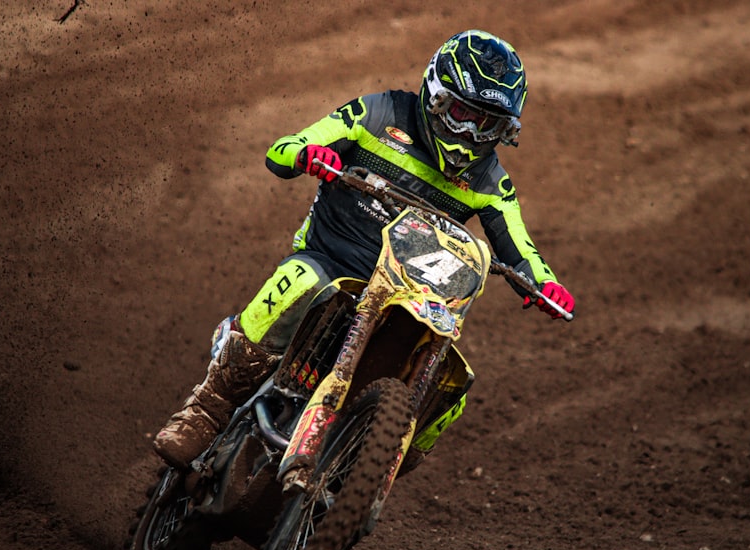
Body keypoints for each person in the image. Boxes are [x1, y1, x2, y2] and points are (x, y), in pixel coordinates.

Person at [153, 29, 575, 470]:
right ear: (436, 94)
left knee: (453, 385)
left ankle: (367, 469)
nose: (470, 130)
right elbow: (284, 149)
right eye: (464, 111)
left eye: (487, 122)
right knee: (301, 281)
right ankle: (206, 408)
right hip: (329, 259)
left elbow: (519, 247)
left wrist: (546, 285)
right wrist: (308, 154)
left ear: (504, 130)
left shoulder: (490, 181)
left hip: (409, 296)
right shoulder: (378, 112)